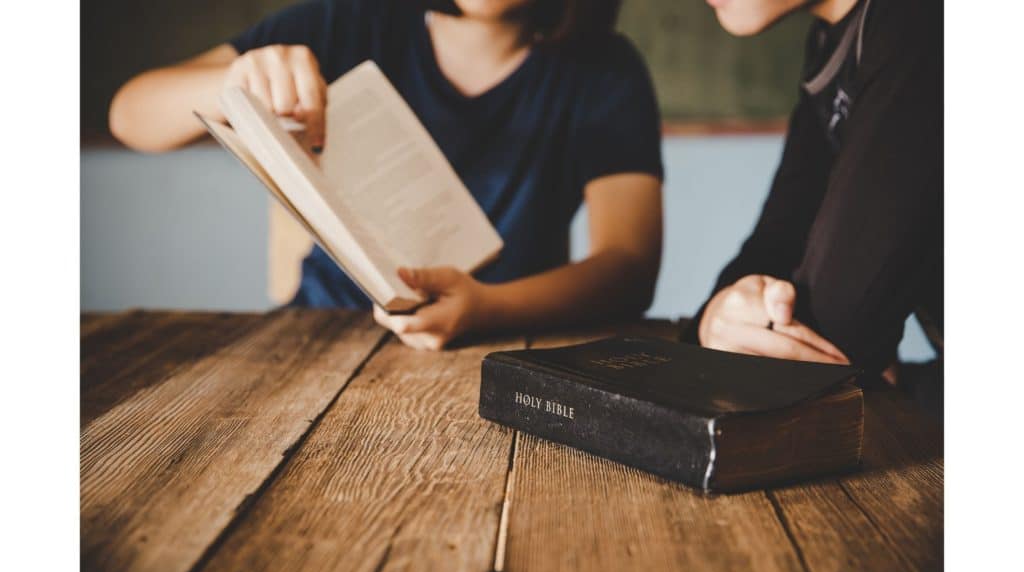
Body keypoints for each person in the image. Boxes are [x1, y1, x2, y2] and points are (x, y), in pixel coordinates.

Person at [109, 0, 664, 350]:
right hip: (322, 339)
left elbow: (628, 269)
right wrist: (232, 83)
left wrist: (487, 309)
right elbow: (131, 115)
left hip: (511, 346)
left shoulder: (604, 71)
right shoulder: (347, 21)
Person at [687, 0, 942, 381]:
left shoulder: (919, 21)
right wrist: (715, 319)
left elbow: (840, 328)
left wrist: (736, 331)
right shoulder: (829, 45)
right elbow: (773, 246)